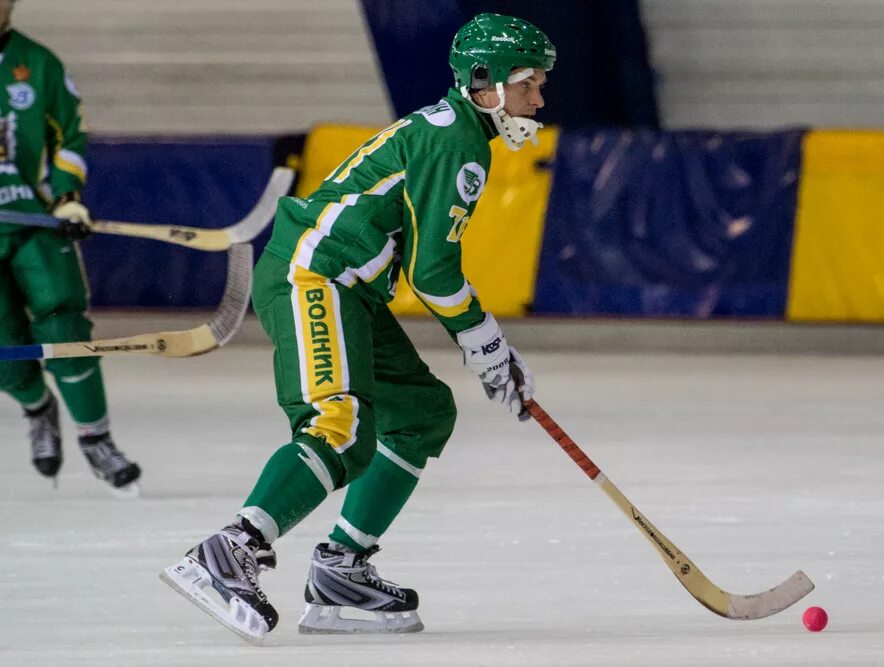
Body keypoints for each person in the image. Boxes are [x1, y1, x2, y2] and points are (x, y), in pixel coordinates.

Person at [161, 13, 555, 641]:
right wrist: (486, 344)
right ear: (485, 83)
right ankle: (229, 550)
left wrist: (486, 345)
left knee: (422, 413)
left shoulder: (455, 131)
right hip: (315, 278)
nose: (538, 98)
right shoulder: (457, 144)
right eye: (528, 83)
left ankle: (341, 569)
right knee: (339, 423)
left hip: (351, 290)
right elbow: (432, 272)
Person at [0, 0, 140, 495]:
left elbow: (70, 136)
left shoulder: (37, 63)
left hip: (36, 223)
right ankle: (38, 407)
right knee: (3, 353)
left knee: (63, 325)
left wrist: (66, 197)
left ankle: (95, 438)